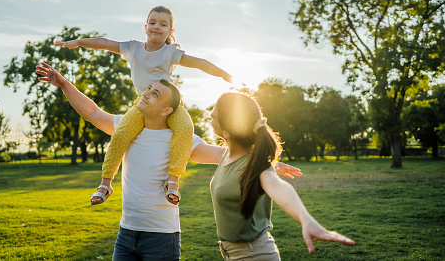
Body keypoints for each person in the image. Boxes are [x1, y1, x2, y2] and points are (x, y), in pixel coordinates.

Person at [36, 62, 300, 260]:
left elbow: (226, 155)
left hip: (161, 239)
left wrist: (270, 164)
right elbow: (93, 112)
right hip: (126, 234)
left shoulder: (182, 140)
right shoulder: (126, 127)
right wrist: (63, 84)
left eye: (155, 94)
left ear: (166, 110)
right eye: (149, 89)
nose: (146, 93)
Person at [55, 6, 232, 206]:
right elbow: (104, 43)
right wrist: (78, 42)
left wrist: (223, 74)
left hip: (170, 106)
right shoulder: (133, 48)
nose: (157, 27)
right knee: (120, 134)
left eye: (163, 24)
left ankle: (172, 181)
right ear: (145, 26)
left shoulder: (169, 53)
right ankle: (105, 183)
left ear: (170, 32)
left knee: (185, 128)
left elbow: (198, 63)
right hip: (144, 104)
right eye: (153, 22)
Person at [190, 92, 355, 260]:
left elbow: (278, 187)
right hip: (233, 254)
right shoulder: (227, 155)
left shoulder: (258, 167)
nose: (211, 113)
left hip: (255, 255)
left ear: (227, 133)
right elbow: (191, 145)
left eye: (217, 110)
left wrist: (305, 219)